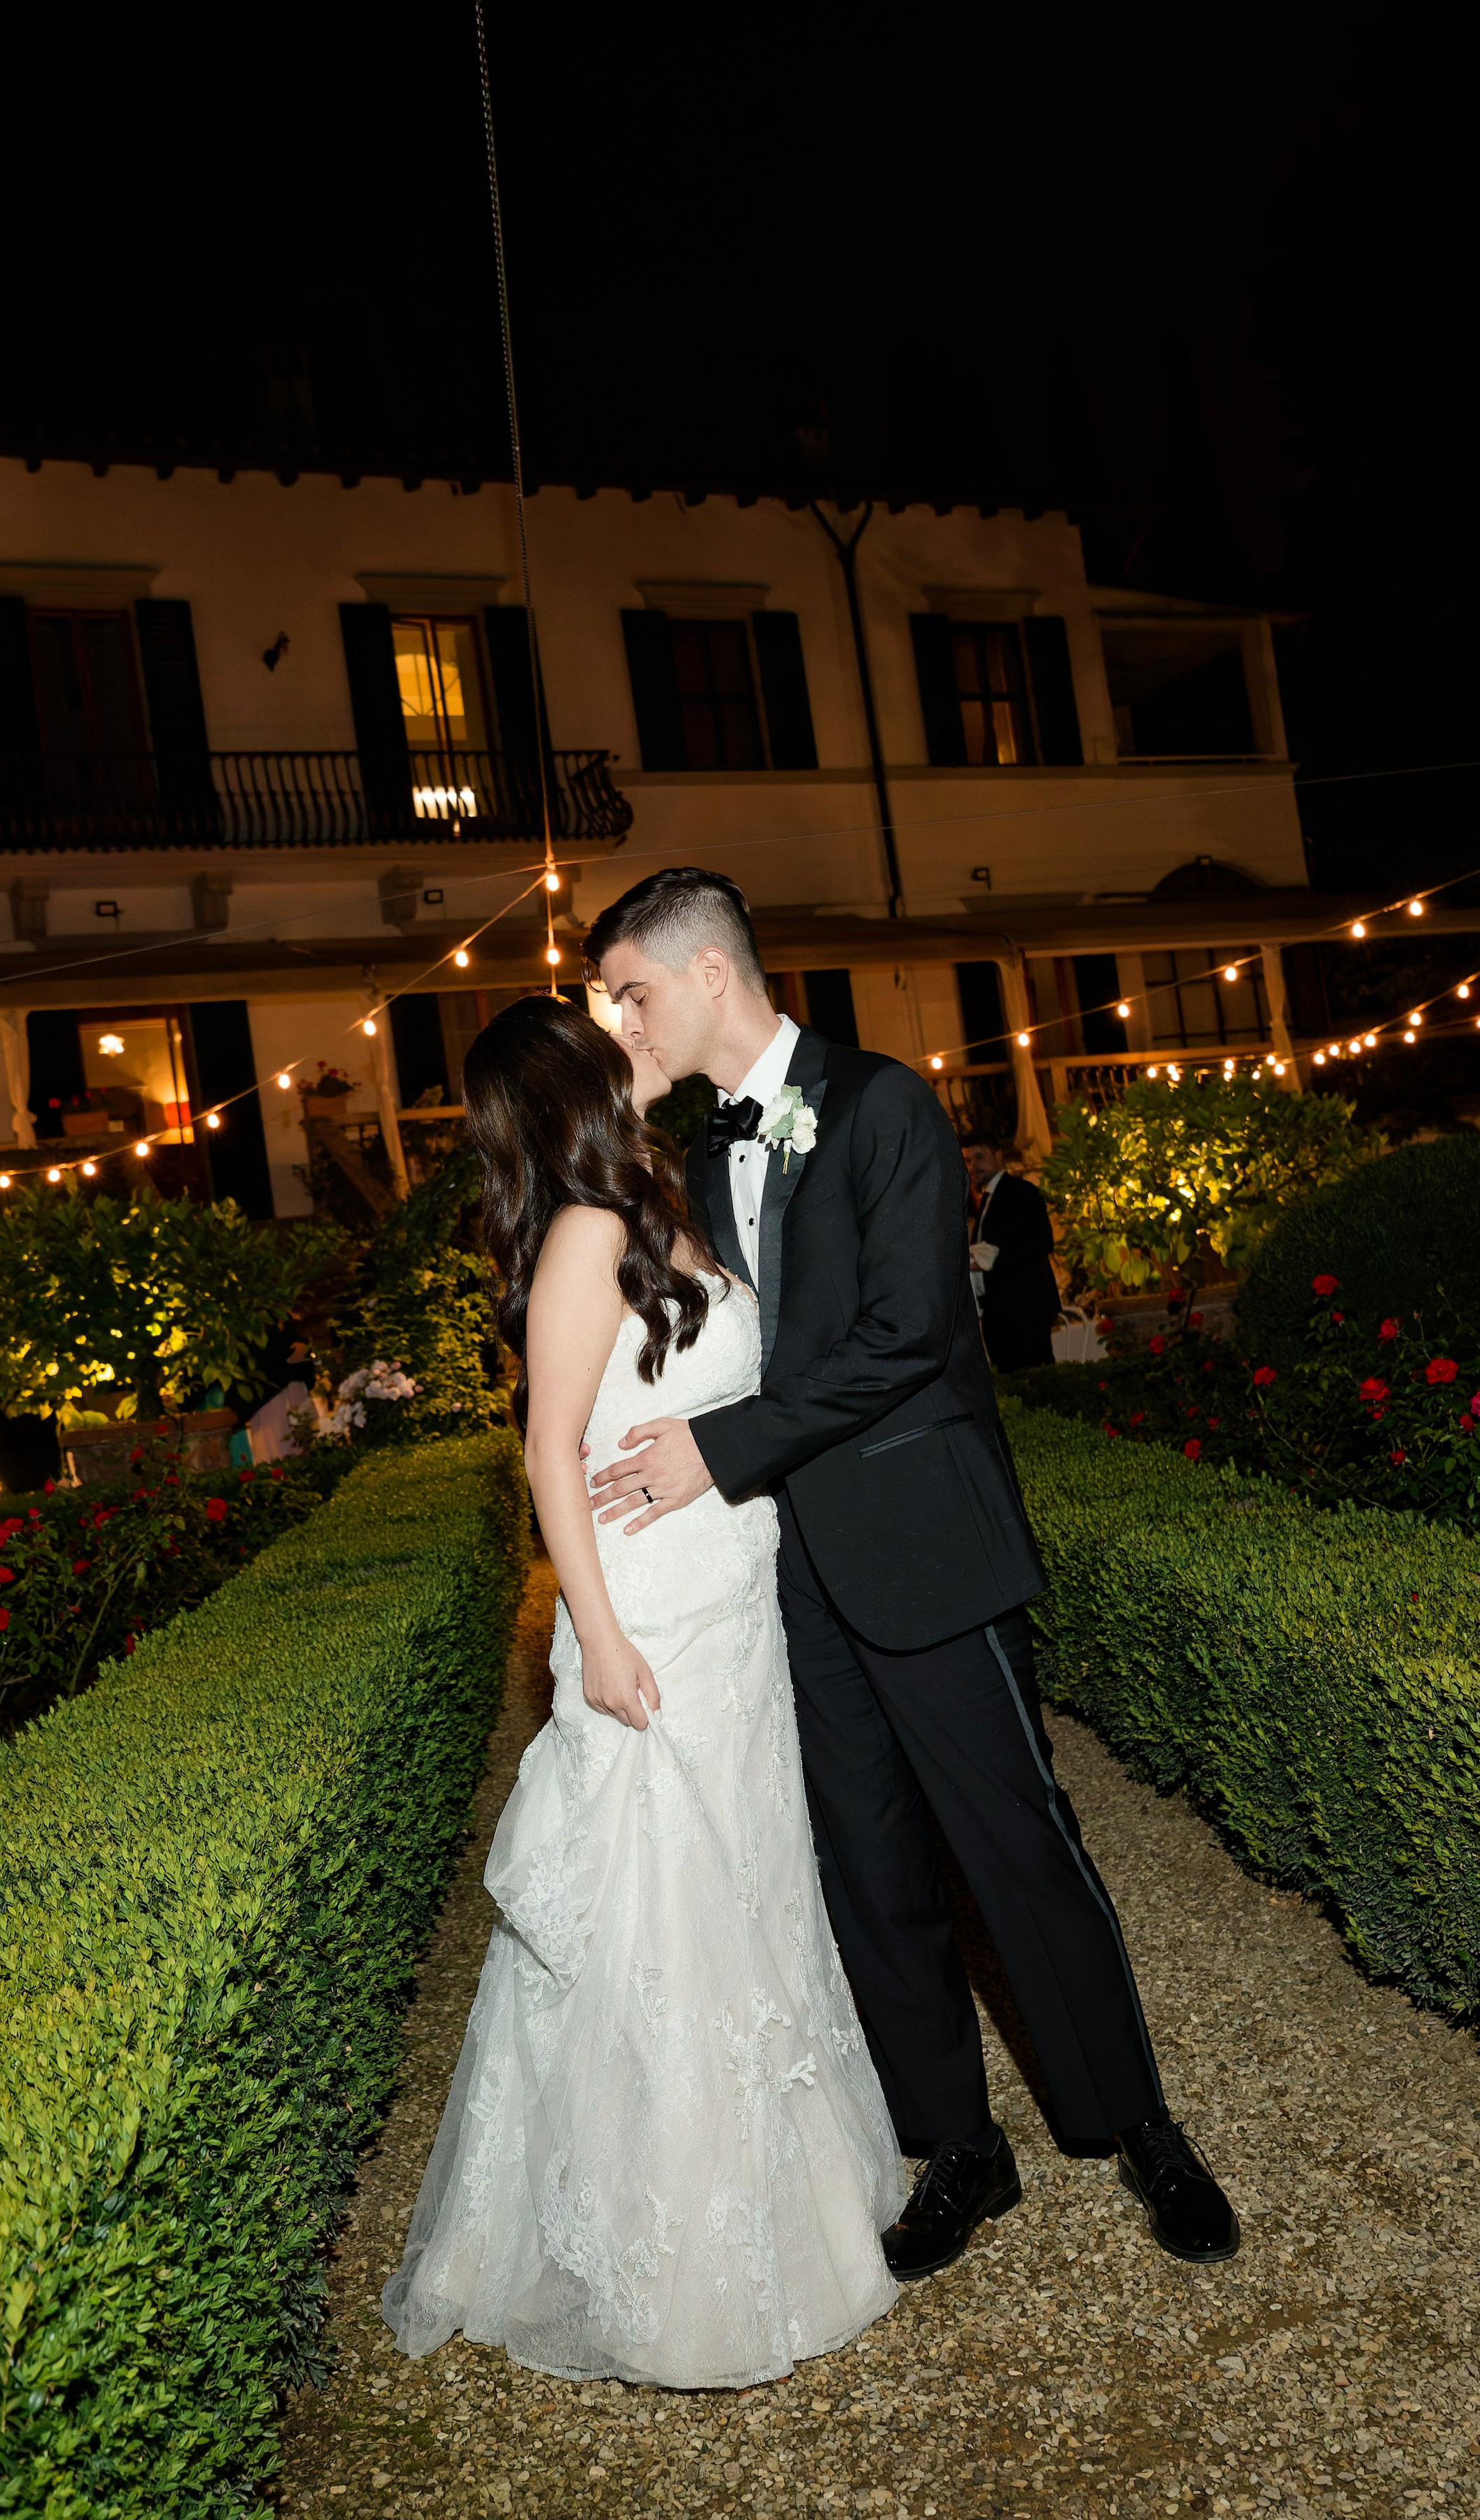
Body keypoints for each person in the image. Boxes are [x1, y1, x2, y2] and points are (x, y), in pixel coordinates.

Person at [585, 868, 1237, 2277]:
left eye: (632, 993)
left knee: (1019, 1844)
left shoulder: (883, 1104)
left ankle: (1138, 2126)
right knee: (867, 1865)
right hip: (789, 1573)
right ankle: (956, 2144)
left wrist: (715, 1450)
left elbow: (907, 1336)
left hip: (922, 1540)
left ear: (708, 974)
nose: (621, 1019)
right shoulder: (699, 1147)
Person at [381, 996, 903, 2388]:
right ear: (574, 1082)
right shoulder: (580, 1235)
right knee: (667, 1919)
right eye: (603, 1025)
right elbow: (547, 1450)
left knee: (751, 1890)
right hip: (653, 1616)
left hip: (733, 1603)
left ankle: (787, 2210)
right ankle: (676, 2270)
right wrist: (598, 1640)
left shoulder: (654, 1200)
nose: (631, 1028)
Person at [964, 1133, 1057, 1370]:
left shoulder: (1021, 1191)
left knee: (1035, 1377)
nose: (973, 1166)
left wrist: (988, 1264)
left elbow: (1042, 1241)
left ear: (998, 1155)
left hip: (1025, 1308)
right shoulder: (987, 1200)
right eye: (968, 1160)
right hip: (999, 1312)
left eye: (979, 1157)